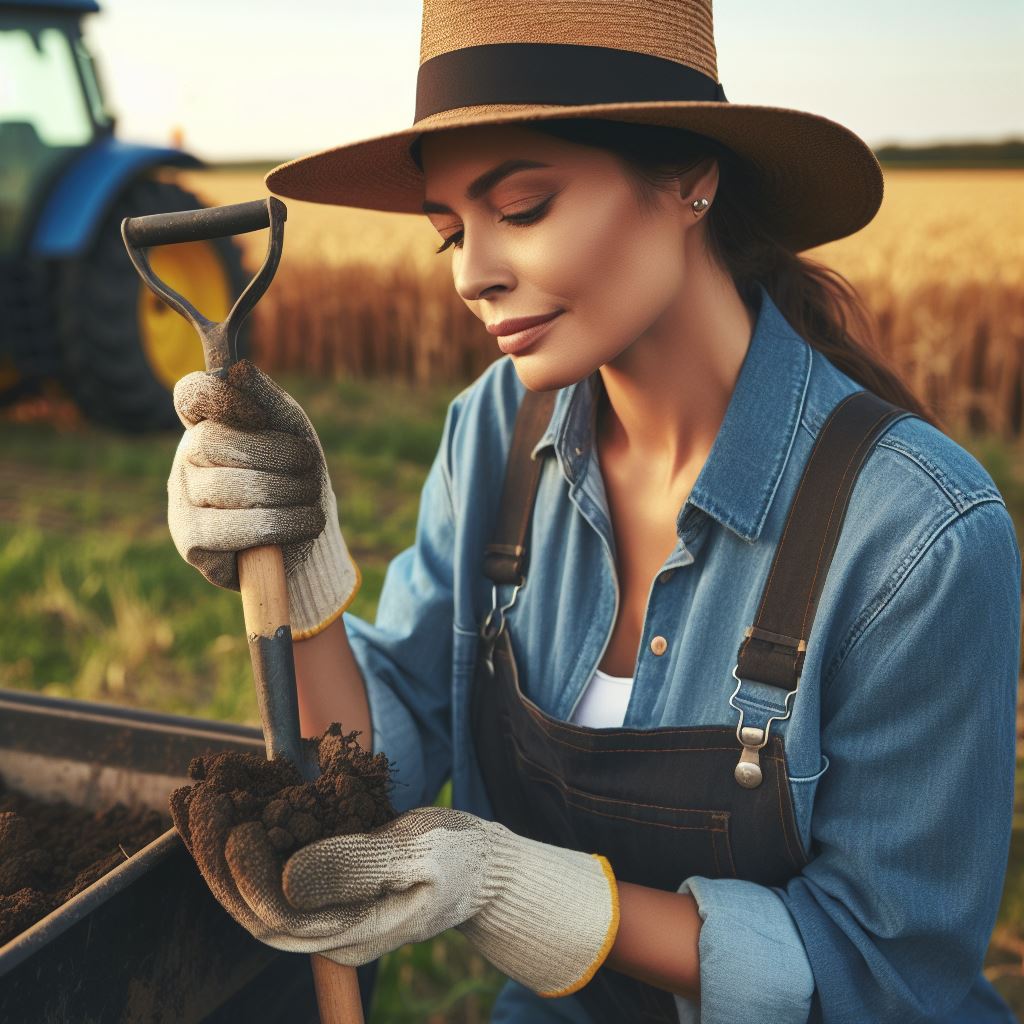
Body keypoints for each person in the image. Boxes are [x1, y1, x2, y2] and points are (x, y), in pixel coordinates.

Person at [166, 1, 1022, 1021]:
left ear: (690, 175)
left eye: (521, 207)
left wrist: (536, 894)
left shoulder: (916, 536)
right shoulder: (495, 428)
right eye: (450, 234)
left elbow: (888, 974)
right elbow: (370, 762)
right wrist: (300, 574)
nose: (474, 274)